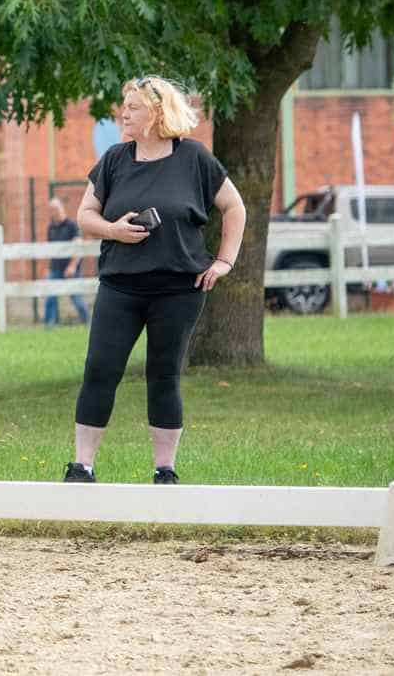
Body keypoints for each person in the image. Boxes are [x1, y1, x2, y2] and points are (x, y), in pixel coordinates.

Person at [63, 76, 246, 484]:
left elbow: (234, 207)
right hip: (120, 286)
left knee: (163, 375)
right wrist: (114, 230)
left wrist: (224, 262)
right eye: (124, 106)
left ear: (157, 113)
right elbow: (85, 215)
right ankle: (82, 467)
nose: (123, 114)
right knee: (99, 370)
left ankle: (165, 470)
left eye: (132, 107)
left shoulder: (194, 157)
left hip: (179, 290)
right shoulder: (114, 159)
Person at [43, 197, 89, 326]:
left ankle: (87, 322)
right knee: (50, 297)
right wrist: (48, 268)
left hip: (70, 269)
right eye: (51, 210)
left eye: (56, 208)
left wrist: (72, 266)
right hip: (55, 268)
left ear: (62, 208)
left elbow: (78, 247)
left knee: (76, 298)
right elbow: (50, 250)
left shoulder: (72, 225)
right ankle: (48, 325)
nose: (54, 212)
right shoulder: (51, 227)